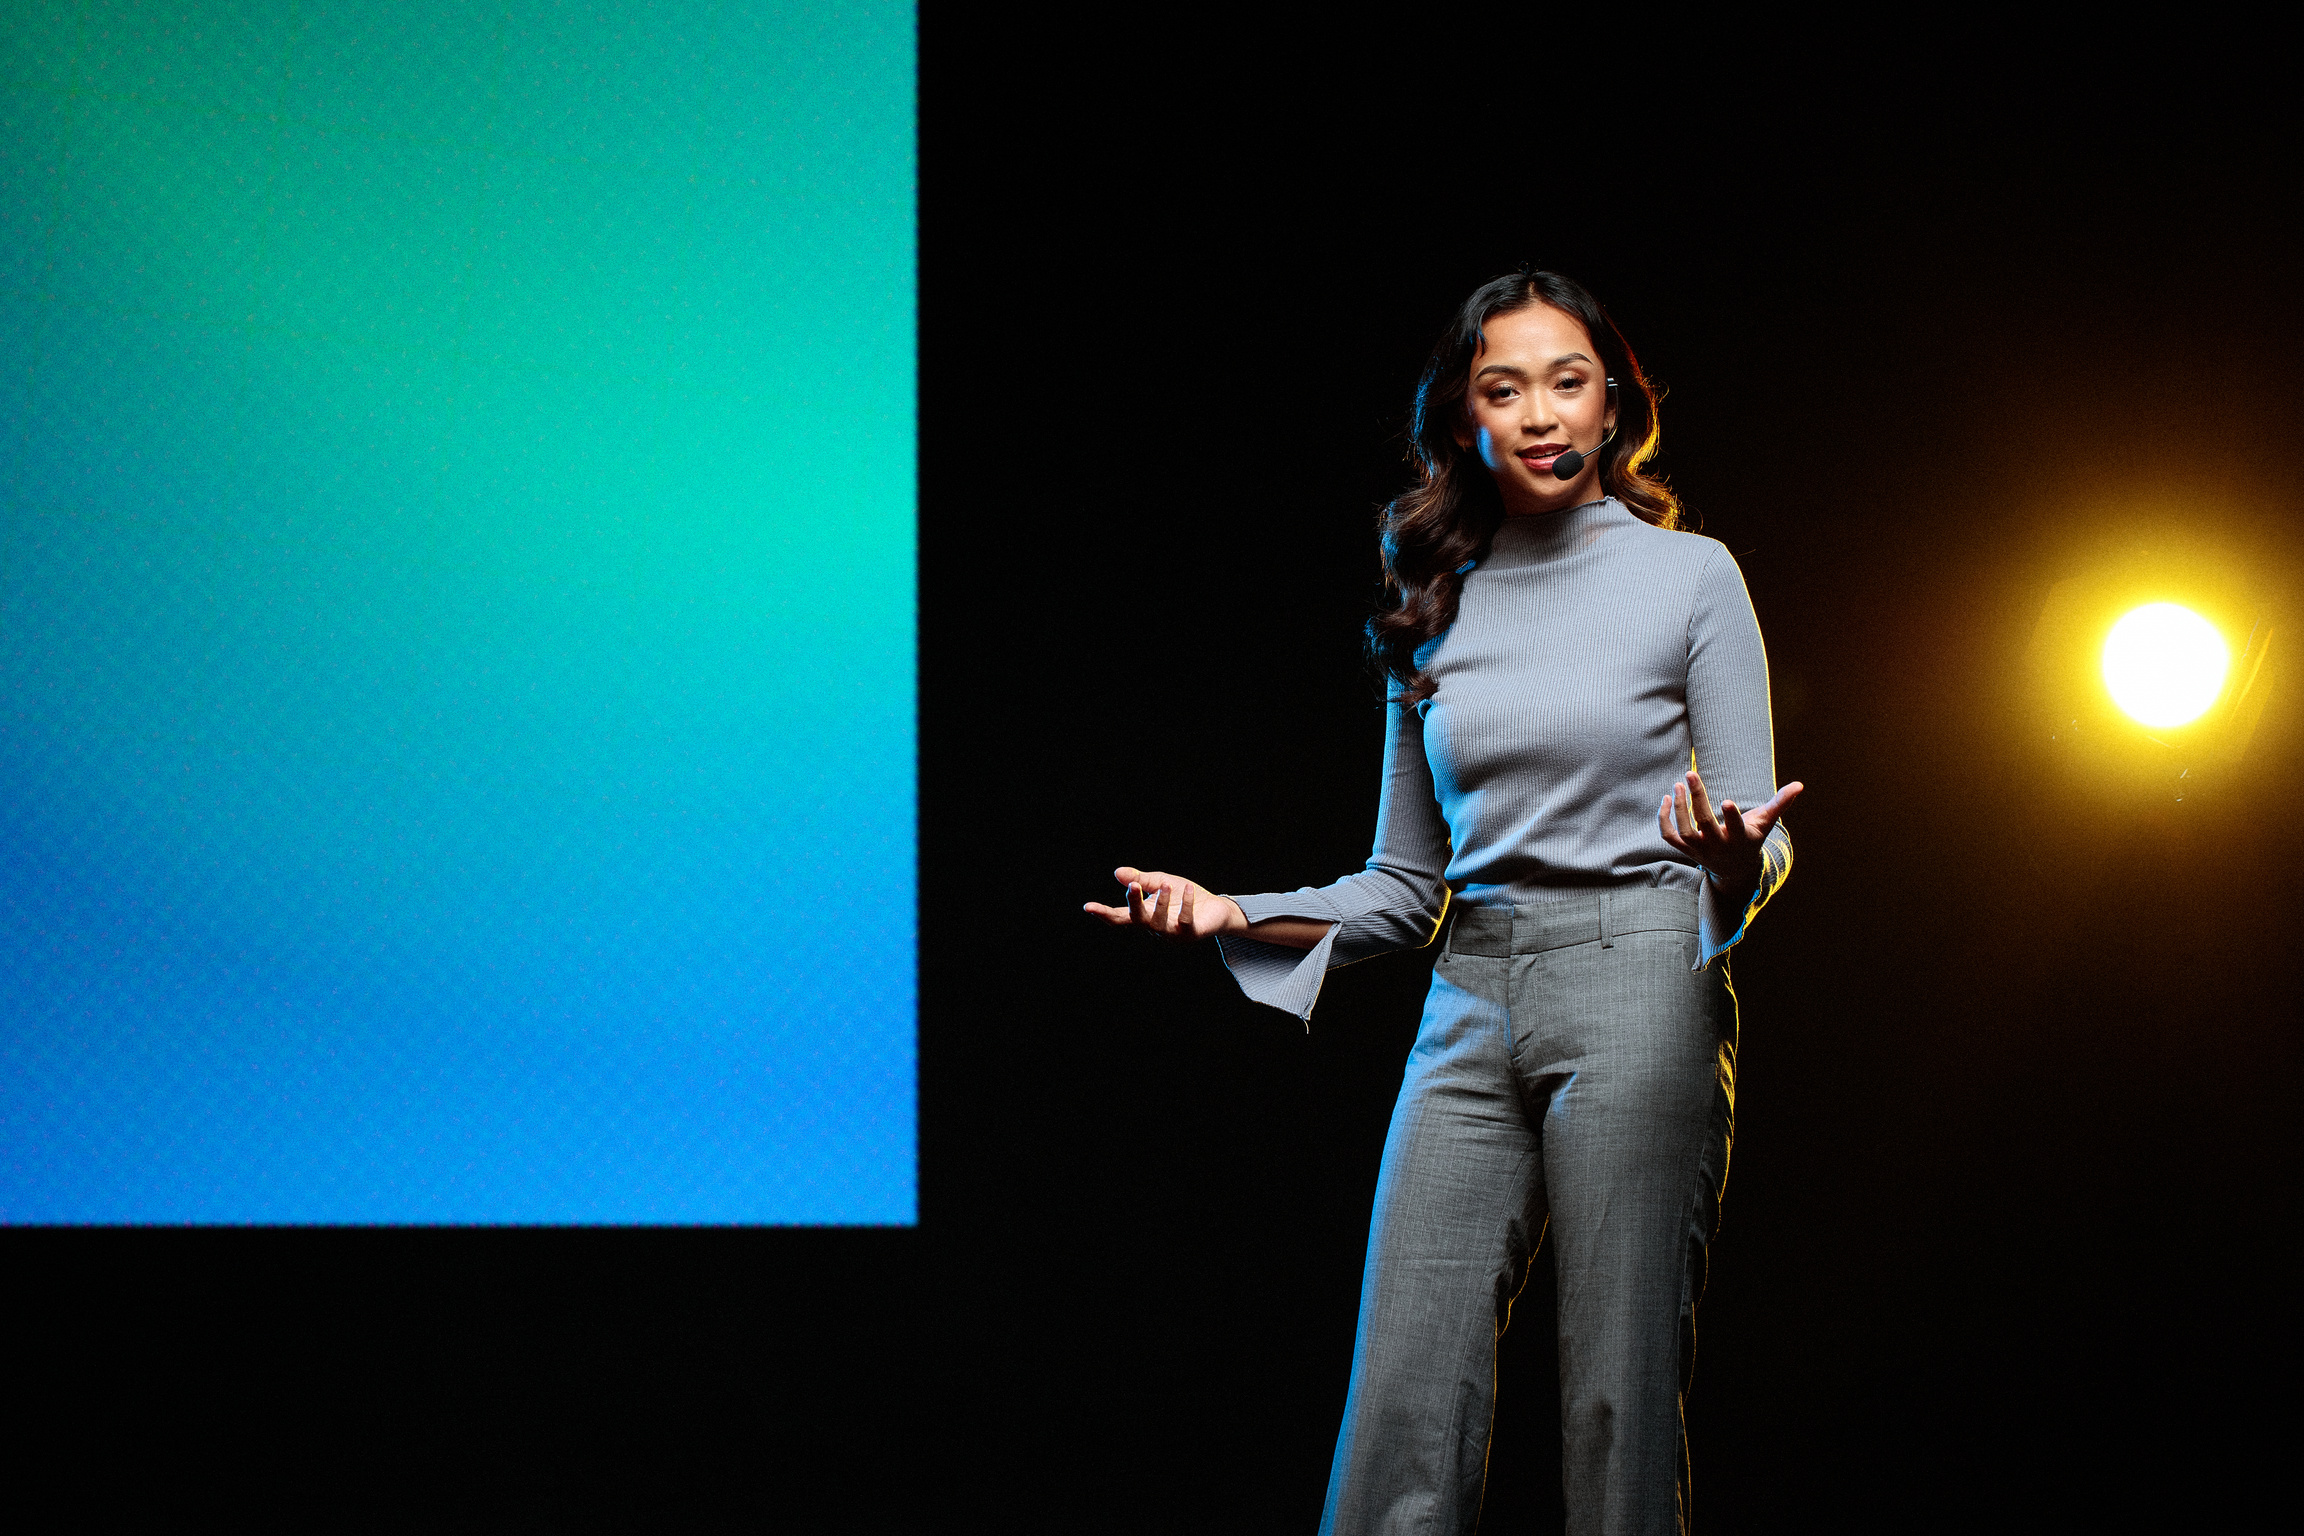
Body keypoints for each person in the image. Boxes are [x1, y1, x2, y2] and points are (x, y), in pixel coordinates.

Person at [1085, 269, 1801, 1535]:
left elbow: (1756, 831)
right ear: (1462, 416)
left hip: (1641, 972)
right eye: (1503, 386)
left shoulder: (1694, 579)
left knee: (1614, 1407)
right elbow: (1405, 889)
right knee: (1400, 1402)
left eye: (1567, 381)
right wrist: (1229, 914)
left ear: (1613, 402)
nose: (1539, 412)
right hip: (1469, 993)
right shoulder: (1433, 603)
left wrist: (1734, 858)